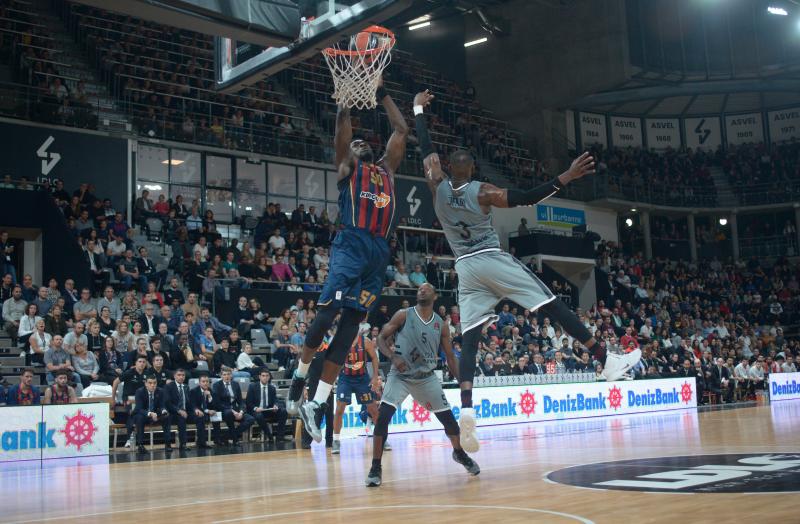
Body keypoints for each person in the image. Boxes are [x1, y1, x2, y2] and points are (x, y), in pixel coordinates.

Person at [415, 92, 637, 452]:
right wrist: (566, 176)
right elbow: (529, 197)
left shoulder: (435, 185)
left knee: (469, 340)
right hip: (490, 257)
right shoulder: (483, 191)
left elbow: (424, 146)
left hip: (465, 270)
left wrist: (418, 111)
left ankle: (467, 410)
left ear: (445, 168)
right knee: (551, 304)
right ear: (470, 169)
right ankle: (605, 359)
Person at [288, 80, 408, 436]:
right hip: (352, 242)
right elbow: (342, 135)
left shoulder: (387, 169)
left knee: (351, 327)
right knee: (326, 314)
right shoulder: (348, 169)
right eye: (355, 144)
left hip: (378, 252)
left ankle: (315, 402)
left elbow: (401, 129)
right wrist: (345, 101)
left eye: (362, 143)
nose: (359, 144)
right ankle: (298, 378)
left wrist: (383, 92)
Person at [366, 284, 479, 487]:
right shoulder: (403, 315)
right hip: (400, 376)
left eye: (427, 288)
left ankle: (459, 453)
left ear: (435, 296)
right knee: (383, 417)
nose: (422, 290)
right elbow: (381, 338)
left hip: (426, 377)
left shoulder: (441, 324)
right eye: (419, 288)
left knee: (450, 423)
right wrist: (393, 357)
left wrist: (464, 384)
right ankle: (375, 466)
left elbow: (451, 358)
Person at [331, 327, 383, 454]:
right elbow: (334, 361)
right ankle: (336, 440)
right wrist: (332, 378)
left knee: (373, 409)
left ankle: (382, 438)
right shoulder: (341, 341)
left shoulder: (365, 341)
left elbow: (375, 358)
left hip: (362, 379)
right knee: (339, 409)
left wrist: (375, 377)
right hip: (345, 378)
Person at [212, 367, 254, 446]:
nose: (227, 376)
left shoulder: (235, 384)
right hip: (223, 410)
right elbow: (217, 403)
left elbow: (241, 401)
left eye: (228, 374)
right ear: (221, 376)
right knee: (229, 413)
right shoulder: (216, 385)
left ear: (231, 375)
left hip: (236, 410)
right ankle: (235, 439)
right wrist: (232, 411)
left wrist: (241, 412)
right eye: (224, 375)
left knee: (251, 419)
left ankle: (226, 436)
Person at [246, 368, 290, 441]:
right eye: (263, 376)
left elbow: (275, 399)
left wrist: (276, 405)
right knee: (259, 416)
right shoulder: (252, 386)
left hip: (268, 409)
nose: (265, 377)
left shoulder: (272, 388)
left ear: (269, 377)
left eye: (267, 376)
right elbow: (248, 402)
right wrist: (255, 408)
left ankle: (280, 436)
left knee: (283, 411)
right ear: (259, 377)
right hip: (257, 410)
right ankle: (269, 436)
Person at [132, 376, 171, 453]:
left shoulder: (160, 391)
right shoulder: (139, 391)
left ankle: (168, 444)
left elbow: (162, 405)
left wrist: (163, 410)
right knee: (139, 418)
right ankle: (140, 445)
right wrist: (150, 414)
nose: (153, 385)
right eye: (150, 383)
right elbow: (139, 408)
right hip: (143, 415)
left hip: (156, 414)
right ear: (146, 384)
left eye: (154, 383)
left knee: (167, 417)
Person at [163, 368, 193, 450]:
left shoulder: (186, 387)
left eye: (183, 375)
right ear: (174, 376)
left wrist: (195, 410)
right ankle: (168, 444)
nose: (181, 377)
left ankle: (198, 443)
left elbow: (190, 402)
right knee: (170, 418)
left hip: (185, 411)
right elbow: (167, 403)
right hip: (173, 412)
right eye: (179, 375)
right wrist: (179, 410)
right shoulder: (168, 386)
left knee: (200, 417)